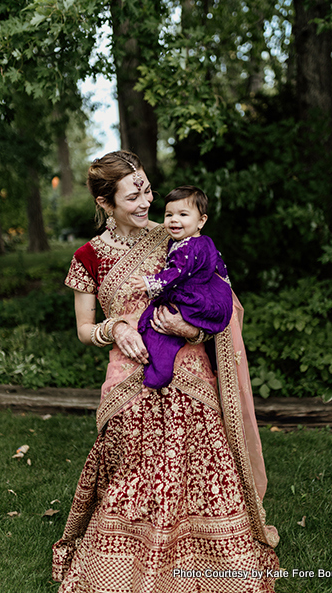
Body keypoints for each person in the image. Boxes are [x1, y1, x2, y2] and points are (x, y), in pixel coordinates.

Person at [52, 150, 279, 593]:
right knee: (133, 462)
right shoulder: (88, 257)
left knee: (202, 456)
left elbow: (224, 303)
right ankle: (124, 567)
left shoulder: (180, 236)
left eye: (148, 191)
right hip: (127, 375)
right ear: (105, 203)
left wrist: (190, 327)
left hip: (189, 368)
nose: (147, 203)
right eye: (133, 196)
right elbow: (83, 328)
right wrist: (115, 327)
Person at [130, 185, 233, 389]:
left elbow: (177, 272)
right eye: (169, 214)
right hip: (203, 295)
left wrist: (150, 282)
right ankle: (209, 363)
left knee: (156, 326)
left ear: (201, 221)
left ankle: (159, 373)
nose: (174, 220)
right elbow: (219, 264)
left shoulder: (187, 247)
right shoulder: (200, 241)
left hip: (191, 297)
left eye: (183, 214)